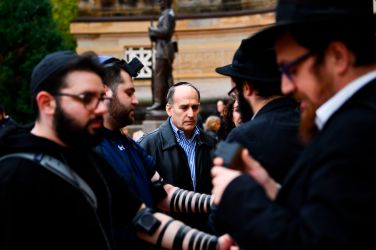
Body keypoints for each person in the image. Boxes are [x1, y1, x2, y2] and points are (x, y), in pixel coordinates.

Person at [0, 50, 232, 250]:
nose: (101, 108)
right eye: (87, 98)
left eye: (101, 98)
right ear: (47, 103)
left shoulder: (90, 160)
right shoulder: (12, 174)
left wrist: (213, 244)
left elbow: (142, 218)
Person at [211, 0, 376, 249]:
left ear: (337, 57)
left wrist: (237, 192)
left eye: (291, 69)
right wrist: (269, 189)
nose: (287, 87)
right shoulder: (354, 118)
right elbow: (331, 222)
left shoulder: (359, 128)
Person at [96, 56, 221, 249]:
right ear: (105, 92)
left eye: (194, 107)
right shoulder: (88, 151)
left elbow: (164, 194)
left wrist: (217, 204)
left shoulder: (131, 146)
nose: (136, 101)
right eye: (129, 93)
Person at [215, 38, 303, 184]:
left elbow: (225, 201)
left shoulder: (242, 137)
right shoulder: (311, 124)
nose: (235, 101)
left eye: (235, 94)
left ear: (247, 88)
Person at [138, 82, 216, 230]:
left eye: (195, 107)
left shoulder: (211, 143)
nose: (191, 114)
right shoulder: (148, 145)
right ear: (169, 109)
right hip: (168, 233)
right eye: (184, 107)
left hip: (206, 233)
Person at [146, 0, 176, 111]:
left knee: (159, 76)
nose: (159, 3)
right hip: (162, 49)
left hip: (164, 51)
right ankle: (167, 100)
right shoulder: (165, 14)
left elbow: (166, 31)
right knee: (165, 77)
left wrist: (153, 30)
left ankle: (158, 101)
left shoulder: (168, 14)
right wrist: (153, 34)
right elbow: (161, 34)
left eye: (161, 1)